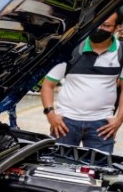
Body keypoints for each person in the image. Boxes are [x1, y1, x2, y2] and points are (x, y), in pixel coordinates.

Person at [41, 10, 123, 153]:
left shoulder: (120, 52)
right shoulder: (71, 50)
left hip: (102, 125)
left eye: (106, 25)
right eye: (96, 23)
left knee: (99, 166)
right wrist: (50, 114)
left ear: (117, 28)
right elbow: (48, 85)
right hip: (65, 122)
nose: (99, 28)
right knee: (59, 164)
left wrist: (118, 120)